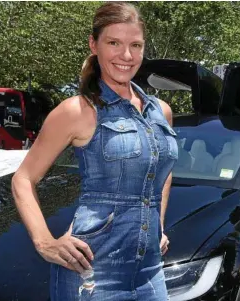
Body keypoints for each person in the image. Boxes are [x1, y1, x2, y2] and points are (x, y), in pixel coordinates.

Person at [11, 2, 176, 300]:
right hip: (92, 273)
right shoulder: (78, 110)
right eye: (114, 42)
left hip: (151, 270)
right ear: (94, 44)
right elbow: (22, 178)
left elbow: (162, 172)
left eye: (135, 45)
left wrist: (158, 225)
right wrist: (45, 242)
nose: (126, 56)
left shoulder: (160, 111)